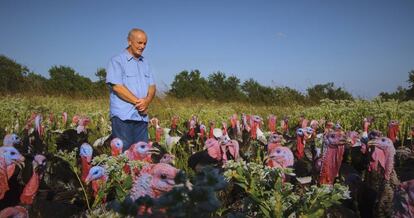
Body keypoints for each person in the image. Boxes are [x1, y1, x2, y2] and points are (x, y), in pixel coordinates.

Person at [106, 28, 156, 151]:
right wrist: (138, 102)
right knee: (125, 156)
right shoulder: (117, 61)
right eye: (139, 43)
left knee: (142, 156)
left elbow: (152, 86)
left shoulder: (146, 63)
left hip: (141, 117)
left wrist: (147, 101)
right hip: (123, 117)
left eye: (145, 43)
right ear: (129, 41)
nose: (142, 46)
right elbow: (117, 87)